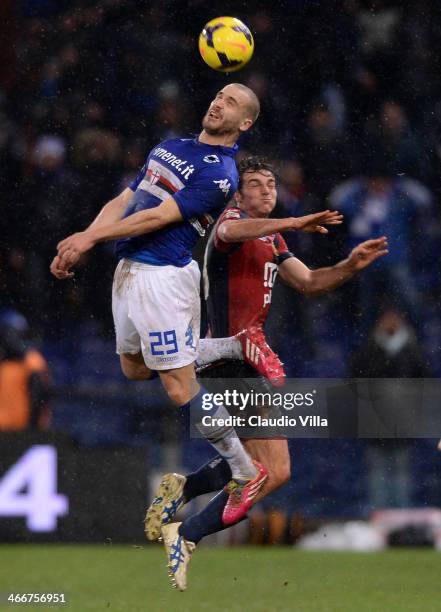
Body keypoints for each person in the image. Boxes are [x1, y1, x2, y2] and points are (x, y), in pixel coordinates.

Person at [50, 84, 340, 538]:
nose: (217, 102)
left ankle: (242, 473)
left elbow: (158, 217)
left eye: (231, 102)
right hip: (129, 268)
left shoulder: (221, 174)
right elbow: (127, 201)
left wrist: (90, 240)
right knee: (132, 369)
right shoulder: (170, 146)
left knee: (178, 386)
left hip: (163, 275)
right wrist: (83, 237)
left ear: (244, 123)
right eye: (219, 95)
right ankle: (219, 349)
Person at [145, 156, 389, 590]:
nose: (265, 190)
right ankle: (186, 532)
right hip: (230, 359)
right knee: (271, 471)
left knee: (264, 467)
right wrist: (293, 222)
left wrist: (350, 265)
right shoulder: (232, 223)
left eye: (271, 183)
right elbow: (227, 232)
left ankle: (185, 491)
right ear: (237, 194)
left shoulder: (272, 237)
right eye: (255, 185)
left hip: (248, 357)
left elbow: (311, 281)